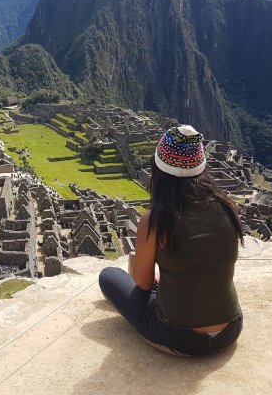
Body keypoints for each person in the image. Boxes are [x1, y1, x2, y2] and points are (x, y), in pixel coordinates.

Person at [99, 125, 244, 356]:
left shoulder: (156, 220)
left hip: (179, 337)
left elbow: (144, 283)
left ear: (158, 170)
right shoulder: (226, 208)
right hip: (230, 329)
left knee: (109, 276)